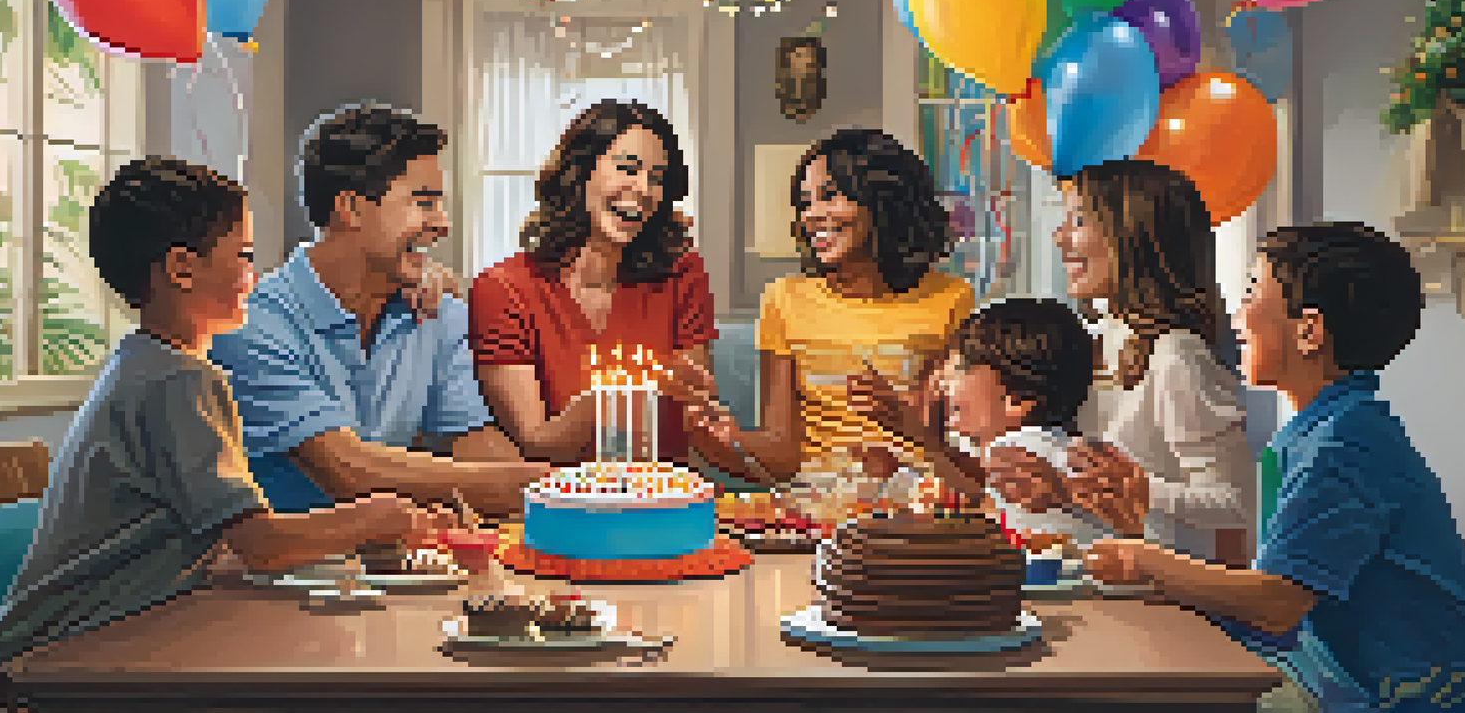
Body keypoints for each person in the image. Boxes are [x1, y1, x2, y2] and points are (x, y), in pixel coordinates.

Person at [0, 158, 457, 676]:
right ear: (181, 269)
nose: (255, 276)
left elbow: (224, 542)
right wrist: (381, 517)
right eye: (244, 256)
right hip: (61, 654)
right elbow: (262, 545)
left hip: (86, 637)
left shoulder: (146, 362)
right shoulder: (176, 382)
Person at [1086, 222, 1465, 712]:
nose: (1237, 315)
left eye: (1252, 291)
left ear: (1309, 331)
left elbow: (1276, 604)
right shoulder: (1328, 428)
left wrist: (1143, 560)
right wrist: (1141, 540)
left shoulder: (1342, 444)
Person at [209, 102, 548, 516]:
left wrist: (564, 492)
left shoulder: (437, 315)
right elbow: (347, 470)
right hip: (285, 557)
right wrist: (540, 487)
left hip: (399, 553)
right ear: (350, 209)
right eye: (423, 203)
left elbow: (474, 443)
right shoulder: (252, 325)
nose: (442, 223)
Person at [666, 128, 974, 500]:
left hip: (914, 499)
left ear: (882, 200)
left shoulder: (950, 299)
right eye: (805, 203)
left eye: (829, 196)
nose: (812, 216)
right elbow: (782, 456)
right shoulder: (784, 299)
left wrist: (909, 428)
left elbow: (956, 448)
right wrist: (721, 436)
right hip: (817, 502)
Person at [469, 100, 718, 465]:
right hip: (559, 494)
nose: (644, 189)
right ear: (580, 172)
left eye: (657, 178)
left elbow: (686, 419)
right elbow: (540, 444)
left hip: (662, 490)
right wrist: (624, 392)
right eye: (627, 168)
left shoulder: (683, 274)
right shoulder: (503, 289)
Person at [1043, 158, 1253, 565]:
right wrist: (1056, 488)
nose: (1059, 238)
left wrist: (1141, 488)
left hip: (1165, 589)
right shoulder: (1099, 341)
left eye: (1078, 221)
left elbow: (1234, 503)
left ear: (1132, 237)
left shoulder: (1176, 355)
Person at [850, 297, 1149, 545]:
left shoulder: (1018, 448)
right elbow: (975, 487)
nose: (943, 382)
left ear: (1015, 400)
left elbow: (974, 493)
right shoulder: (1050, 444)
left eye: (961, 369)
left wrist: (911, 441)